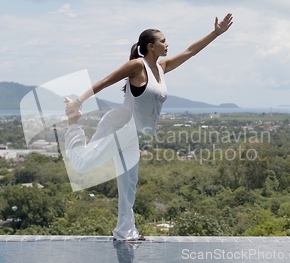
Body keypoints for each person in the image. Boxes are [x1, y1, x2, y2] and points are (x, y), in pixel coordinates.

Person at [64, 13, 234, 241]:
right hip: (119, 128)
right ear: (151, 47)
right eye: (163, 41)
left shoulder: (161, 68)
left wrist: (216, 33)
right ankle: (73, 124)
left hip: (132, 136)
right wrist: (78, 101)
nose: (167, 44)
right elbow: (106, 80)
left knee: (129, 184)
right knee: (83, 165)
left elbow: (190, 51)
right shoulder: (137, 66)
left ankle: (125, 231)